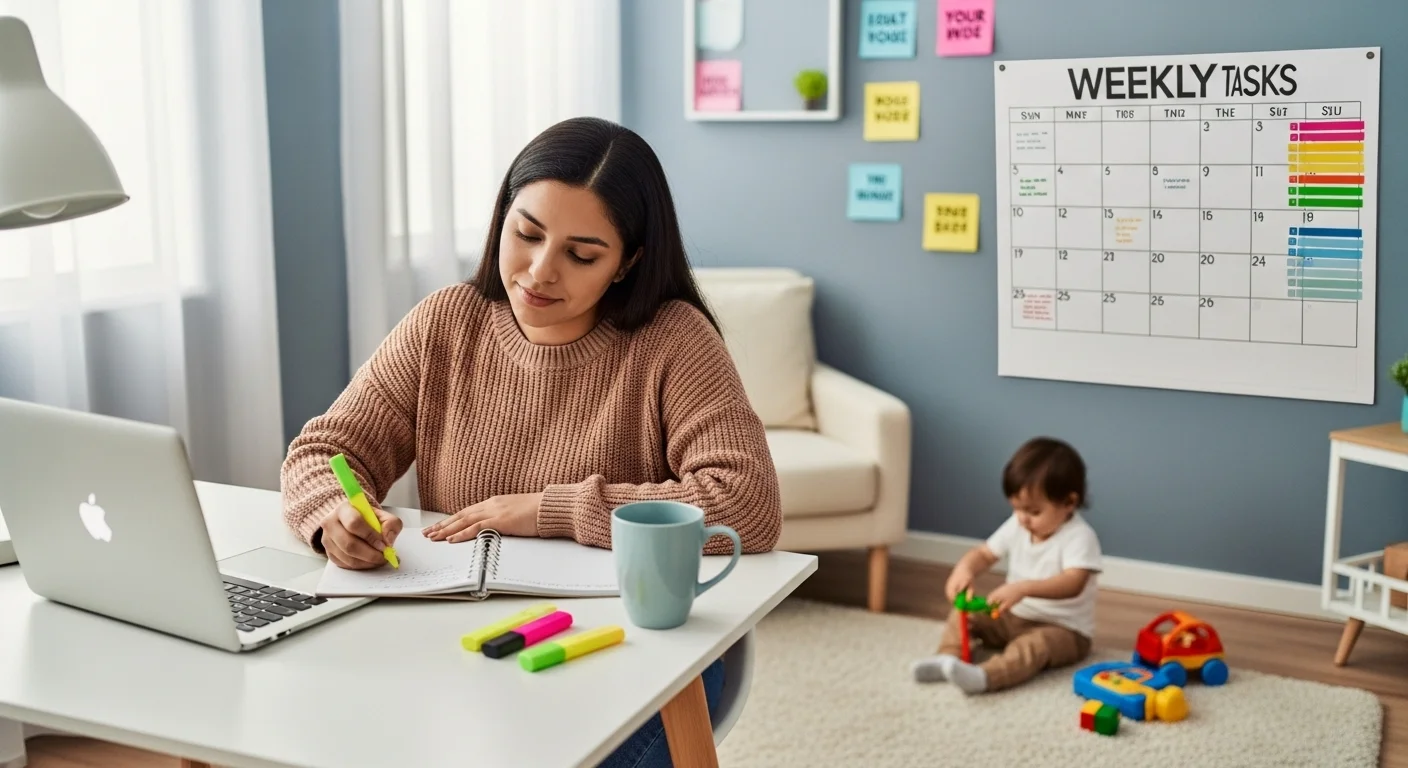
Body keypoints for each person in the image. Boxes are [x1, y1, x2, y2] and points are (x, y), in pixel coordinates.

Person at [280, 116, 783, 767]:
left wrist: (555, 509)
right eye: (527, 234)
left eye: (581, 254)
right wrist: (334, 517)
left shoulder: (673, 341)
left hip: (636, 654)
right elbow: (324, 453)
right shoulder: (447, 322)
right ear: (501, 218)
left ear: (628, 260)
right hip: (468, 644)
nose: (540, 272)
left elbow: (747, 504)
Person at [910, 437, 1101, 694]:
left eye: (1033, 512)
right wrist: (964, 569)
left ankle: (986, 677)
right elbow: (984, 554)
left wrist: (1023, 589)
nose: (1023, 519)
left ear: (1069, 503)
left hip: (1063, 629)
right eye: (1017, 508)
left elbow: (1073, 583)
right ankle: (948, 658)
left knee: (1034, 647)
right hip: (1012, 617)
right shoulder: (1018, 524)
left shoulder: (1079, 537)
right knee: (965, 614)